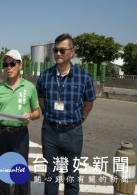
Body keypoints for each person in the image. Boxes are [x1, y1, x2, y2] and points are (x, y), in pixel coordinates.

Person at [36, 34, 96, 195]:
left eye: (62, 50)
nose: (58, 53)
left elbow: (89, 102)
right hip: (50, 132)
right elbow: (41, 100)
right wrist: (49, 114)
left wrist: (81, 118)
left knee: (72, 176)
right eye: (56, 50)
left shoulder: (84, 77)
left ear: (72, 52)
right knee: (51, 175)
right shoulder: (45, 76)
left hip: (73, 133)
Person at [0, 50, 40, 195]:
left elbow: (37, 112)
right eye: (5, 64)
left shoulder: (29, 87)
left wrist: (30, 116)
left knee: (20, 173)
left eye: (12, 63)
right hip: (2, 133)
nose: (8, 67)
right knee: (3, 171)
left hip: (20, 134)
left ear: (20, 65)